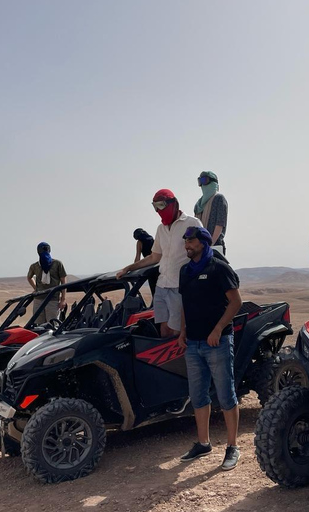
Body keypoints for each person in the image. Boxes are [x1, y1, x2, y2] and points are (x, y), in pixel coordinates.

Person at [176, 226, 243, 471]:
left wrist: (217, 330)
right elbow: (185, 303)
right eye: (185, 241)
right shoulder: (185, 271)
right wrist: (183, 331)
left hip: (218, 342)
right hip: (192, 344)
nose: (187, 245)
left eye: (191, 241)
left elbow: (236, 302)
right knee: (198, 396)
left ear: (203, 242)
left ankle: (232, 446)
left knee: (226, 395)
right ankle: (203, 443)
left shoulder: (218, 268)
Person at [116, 190, 201, 337]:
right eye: (154, 206)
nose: (158, 210)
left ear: (173, 203)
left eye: (161, 205)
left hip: (179, 286)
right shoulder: (161, 229)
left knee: (177, 330)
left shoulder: (191, 223)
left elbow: (203, 250)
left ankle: (180, 359)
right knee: (164, 328)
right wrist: (128, 268)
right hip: (162, 286)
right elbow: (154, 257)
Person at [26, 242, 67, 324]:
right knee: (38, 325)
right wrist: (36, 289)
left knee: (52, 325)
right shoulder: (35, 266)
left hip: (53, 300)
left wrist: (63, 299)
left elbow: (64, 282)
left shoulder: (57, 264)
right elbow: (29, 277)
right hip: (39, 299)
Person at [193, 171, 228, 254]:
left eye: (204, 180)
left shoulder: (219, 199)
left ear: (213, 182)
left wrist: (210, 244)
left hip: (215, 246)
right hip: (199, 248)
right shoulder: (198, 204)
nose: (202, 185)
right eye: (200, 182)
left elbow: (219, 224)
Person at [133, 228, 157, 297]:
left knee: (153, 290)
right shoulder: (152, 240)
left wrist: (134, 268)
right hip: (157, 266)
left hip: (148, 266)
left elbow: (138, 257)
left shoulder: (140, 242)